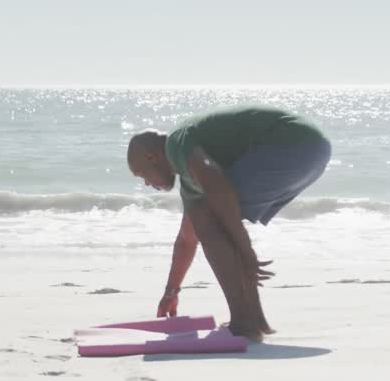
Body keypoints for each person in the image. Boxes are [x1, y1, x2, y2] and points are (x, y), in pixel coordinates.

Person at [126, 107, 330, 339]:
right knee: (207, 214)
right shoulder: (191, 181)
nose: (146, 184)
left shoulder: (175, 144)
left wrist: (246, 247)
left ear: (151, 156)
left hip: (289, 143)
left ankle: (244, 322)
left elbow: (212, 176)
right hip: (314, 150)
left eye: (141, 174)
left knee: (212, 214)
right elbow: (186, 240)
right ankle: (254, 319)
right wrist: (171, 291)